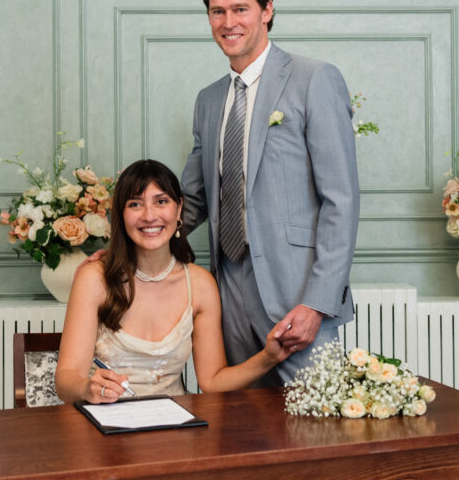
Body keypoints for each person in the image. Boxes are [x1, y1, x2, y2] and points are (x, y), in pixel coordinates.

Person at [179, 0, 359, 480]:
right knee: (249, 443)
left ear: (267, 11)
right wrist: (118, 237)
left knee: (326, 444)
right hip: (229, 287)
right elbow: (191, 201)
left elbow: (341, 199)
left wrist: (316, 303)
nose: (228, 21)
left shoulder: (313, 78)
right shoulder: (210, 100)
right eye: (217, 11)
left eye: (240, 8)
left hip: (299, 292)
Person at [55, 159, 292, 404]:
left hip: (174, 427)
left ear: (178, 209)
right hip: (104, 425)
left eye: (161, 201)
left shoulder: (200, 285)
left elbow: (212, 382)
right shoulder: (93, 278)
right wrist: (86, 389)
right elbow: (65, 381)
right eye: (135, 204)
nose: (149, 215)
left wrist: (268, 357)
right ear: (121, 215)